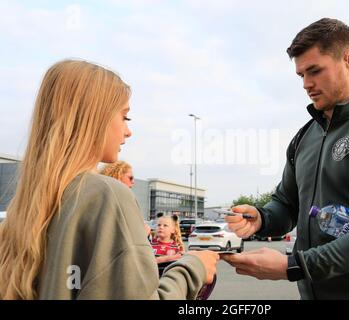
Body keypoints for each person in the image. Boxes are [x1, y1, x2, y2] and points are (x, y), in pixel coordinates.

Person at [223, 18, 349, 300]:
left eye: (314, 71)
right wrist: (261, 219)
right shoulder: (304, 137)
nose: (306, 84)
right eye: (301, 75)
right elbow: (287, 204)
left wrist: (294, 265)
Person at [0, 59, 219, 299]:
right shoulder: (107, 195)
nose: (128, 131)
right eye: (125, 117)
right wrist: (192, 268)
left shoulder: (23, 212)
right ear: (94, 118)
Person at [100, 161, 152, 238]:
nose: (133, 182)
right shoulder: (119, 201)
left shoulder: (102, 196)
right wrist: (142, 234)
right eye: (130, 178)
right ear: (117, 175)